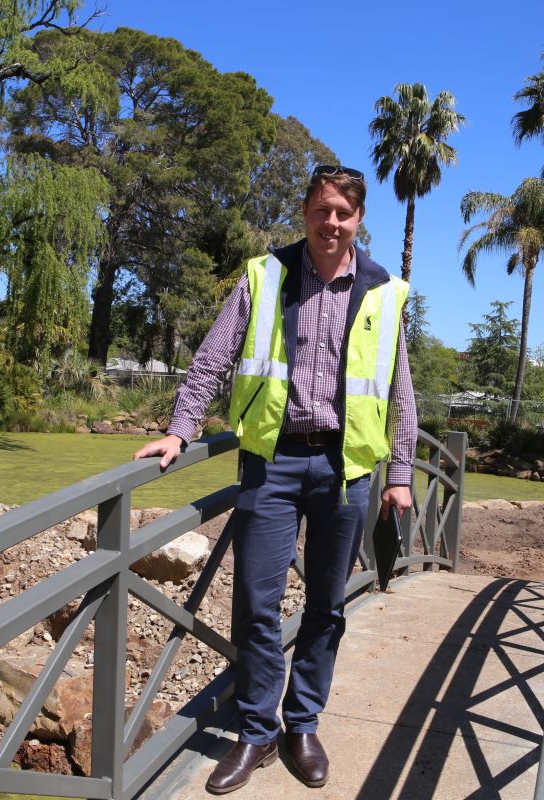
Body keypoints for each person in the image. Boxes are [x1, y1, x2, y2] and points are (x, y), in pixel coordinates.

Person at [133, 164, 416, 794]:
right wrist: (182, 429)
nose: (331, 223)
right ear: (306, 213)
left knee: (326, 607)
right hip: (273, 461)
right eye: (321, 211)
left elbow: (399, 390)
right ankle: (257, 732)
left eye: (343, 213)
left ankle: (302, 725)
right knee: (257, 606)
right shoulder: (264, 277)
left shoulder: (385, 290)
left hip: (345, 471)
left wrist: (400, 472)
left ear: (359, 218)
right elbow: (215, 356)